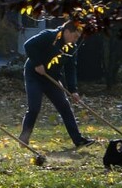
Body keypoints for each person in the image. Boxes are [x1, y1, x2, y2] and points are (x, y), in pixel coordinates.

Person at [19, 20, 95, 148]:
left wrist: (73, 90)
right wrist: (37, 64)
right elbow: (28, 45)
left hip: (51, 78)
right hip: (34, 75)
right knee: (34, 107)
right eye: (75, 36)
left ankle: (78, 140)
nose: (76, 40)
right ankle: (24, 138)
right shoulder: (49, 36)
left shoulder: (71, 48)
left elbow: (70, 69)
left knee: (65, 107)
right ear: (67, 31)